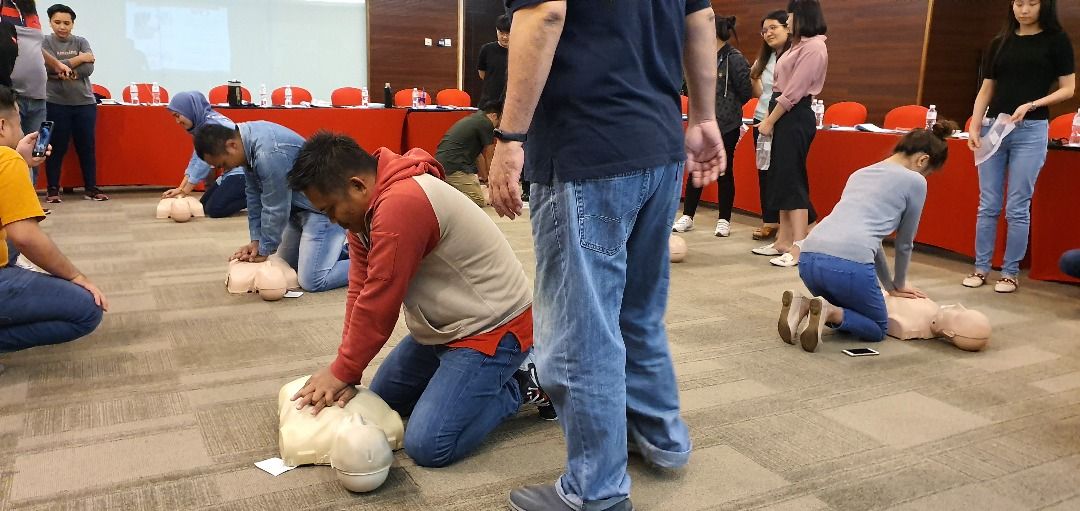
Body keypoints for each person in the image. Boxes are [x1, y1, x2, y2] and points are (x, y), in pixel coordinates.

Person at [487, 0, 724, 509]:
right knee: (638, 313)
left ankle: (597, 491)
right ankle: (662, 440)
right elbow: (699, 20)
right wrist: (704, 116)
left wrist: (509, 138)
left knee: (581, 332)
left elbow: (545, 14)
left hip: (587, 147)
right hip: (658, 146)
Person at [286, 133, 553, 468]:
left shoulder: (401, 203)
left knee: (429, 444)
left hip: (491, 329)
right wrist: (347, 370)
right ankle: (474, 382)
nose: (332, 221)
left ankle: (522, 385)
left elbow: (380, 302)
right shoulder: (363, 215)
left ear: (357, 185)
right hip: (443, 326)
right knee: (385, 404)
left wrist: (342, 370)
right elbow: (360, 290)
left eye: (330, 209)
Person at [780, 121, 958, 353]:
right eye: (929, 172)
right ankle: (828, 310)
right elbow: (904, 243)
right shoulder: (915, 181)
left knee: (850, 313)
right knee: (876, 327)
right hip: (848, 266)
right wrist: (899, 285)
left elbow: (871, 241)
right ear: (922, 160)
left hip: (808, 259)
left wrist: (888, 285)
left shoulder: (859, 173)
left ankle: (803, 305)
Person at [964, 0, 1074, 293]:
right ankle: (981, 267)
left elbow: (1069, 88)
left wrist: (1033, 104)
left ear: (1044, 5)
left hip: (1032, 129)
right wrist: (974, 126)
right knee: (987, 204)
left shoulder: (1057, 40)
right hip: (994, 128)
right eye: (1018, 3)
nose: (1024, 9)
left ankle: (1010, 272)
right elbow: (986, 88)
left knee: (1017, 205)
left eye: (1032, 3)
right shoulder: (999, 42)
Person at [0, 84, 106, 359]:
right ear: (2, 125)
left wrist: (20, 161)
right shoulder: (5, 160)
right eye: (18, 122)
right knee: (86, 309)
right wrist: (76, 276)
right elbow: (25, 235)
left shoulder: (11, 161)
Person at [193, 122, 349, 292]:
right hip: (298, 211)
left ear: (232, 145)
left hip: (323, 212)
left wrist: (264, 248)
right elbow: (253, 196)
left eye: (223, 163)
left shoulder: (268, 153)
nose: (226, 169)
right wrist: (256, 242)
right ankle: (343, 251)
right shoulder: (247, 142)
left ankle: (373, 263)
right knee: (288, 266)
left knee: (312, 280)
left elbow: (276, 206)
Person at [753, 0, 827, 268]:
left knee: (793, 180)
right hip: (783, 112)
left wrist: (769, 121)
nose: (789, 22)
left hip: (793, 115)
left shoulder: (815, 47)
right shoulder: (799, 45)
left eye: (791, 17)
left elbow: (794, 92)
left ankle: (799, 246)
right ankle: (783, 241)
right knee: (782, 178)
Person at [673, 15, 751, 237]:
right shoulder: (699, 56)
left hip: (727, 124)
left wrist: (726, 106)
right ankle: (688, 215)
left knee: (724, 171)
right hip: (700, 122)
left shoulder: (734, 59)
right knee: (695, 167)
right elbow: (686, 86)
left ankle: (724, 219)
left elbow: (745, 92)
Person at [2, 0, 71, 188]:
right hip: (11, 96)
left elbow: (34, 47)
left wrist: (56, 64)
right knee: (9, 153)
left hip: (38, 95)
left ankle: (29, 201)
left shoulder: (31, 12)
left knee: (35, 153)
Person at [42, 3, 104, 203]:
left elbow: (88, 69)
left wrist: (64, 70)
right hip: (55, 103)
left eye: (66, 23)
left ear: (73, 24)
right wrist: (80, 59)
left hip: (84, 104)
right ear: (50, 23)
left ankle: (91, 188)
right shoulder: (45, 43)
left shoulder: (81, 41)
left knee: (87, 147)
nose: (62, 27)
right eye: (57, 22)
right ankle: (52, 190)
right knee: (56, 147)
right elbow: (46, 68)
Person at [162, 91, 246, 218]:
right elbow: (197, 157)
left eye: (178, 116)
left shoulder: (212, 125)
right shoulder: (203, 124)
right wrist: (181, 188)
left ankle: (259, 196)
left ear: (189, 110)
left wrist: (185, 191)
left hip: (244, 172)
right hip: (231, 172)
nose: (177, 121)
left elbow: (203, 162)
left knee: (215, 210)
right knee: (204, 206)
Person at [748, 10, 791, 241]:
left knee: (782, 174)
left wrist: (771, 120)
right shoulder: (765, 57)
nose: (768, 33)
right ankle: (769, 221)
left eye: (773, 27)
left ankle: (788, 224)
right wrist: (754, 78)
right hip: (760, 119)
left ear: (788, 27)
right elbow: (760, 94)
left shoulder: (795, 55)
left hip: (782, 121)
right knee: (764, 172)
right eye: (764, 30)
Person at [433, 100, 502, 208]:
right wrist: (491, 180)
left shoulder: (474, 119)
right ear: (494, 115)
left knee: (476, 192)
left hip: (443, 164)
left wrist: (485, 179)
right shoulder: (486, 123)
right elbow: (489, 156)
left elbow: (479, 157)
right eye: (499, 121)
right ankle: (444, 203)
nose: (498, 126)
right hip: (455, 167)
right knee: (478, 200)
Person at [477, 14, 510, 109]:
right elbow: (482, 74)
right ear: (496, 30)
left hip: (511, 101)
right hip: (489, 100)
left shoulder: (519, 51)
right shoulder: (486, 49)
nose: (504, 37)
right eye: (501, 33)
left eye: (508, 33)